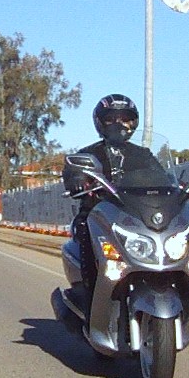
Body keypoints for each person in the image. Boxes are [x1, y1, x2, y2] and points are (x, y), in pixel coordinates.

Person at [64, 94, 167, 303]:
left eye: (125, 119)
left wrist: (177, 187)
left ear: (133, 123)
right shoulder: (89, 153)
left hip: (134, 216)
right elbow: (72, 171)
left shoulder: (143, 155)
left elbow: (161, 176)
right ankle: (91, 292)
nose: (118, 124)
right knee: (84, 229)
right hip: (98, 214)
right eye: (111, 119)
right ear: (100, 122)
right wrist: (77, 180)